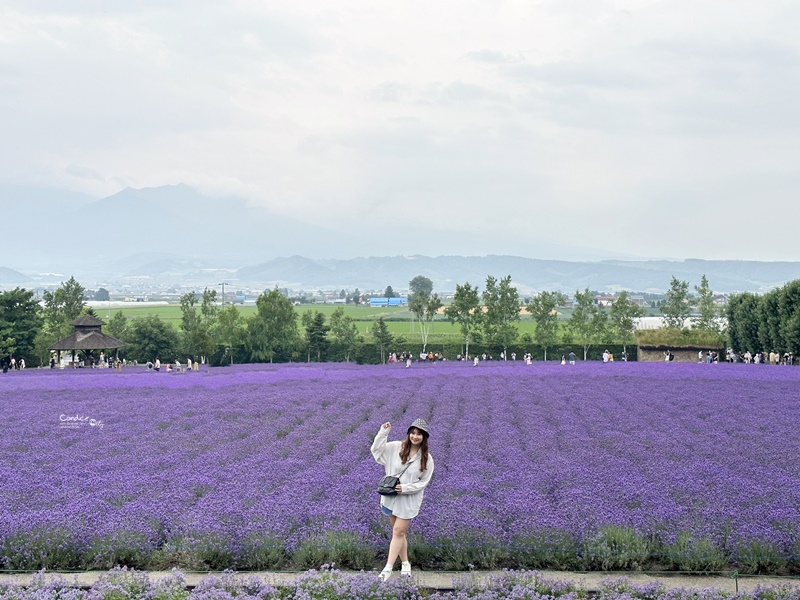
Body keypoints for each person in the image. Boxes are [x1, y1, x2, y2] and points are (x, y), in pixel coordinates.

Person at [371, 418, 434, 581]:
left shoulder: (427, 459)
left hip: (408, 501)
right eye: (413, 433)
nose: (415, 436)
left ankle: (388, 568)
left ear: (424, 437)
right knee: (399, 533)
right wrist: (383, 432)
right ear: (408, 434)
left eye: (419, 434)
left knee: (398, 531)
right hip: (390, 497)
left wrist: (405, 489)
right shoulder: (395, 447)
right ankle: (405, 563)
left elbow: (423, 482)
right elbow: (376, 450)